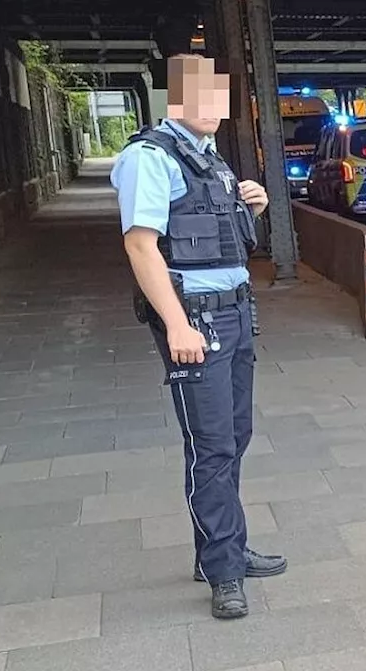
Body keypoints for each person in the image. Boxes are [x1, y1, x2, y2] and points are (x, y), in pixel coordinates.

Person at [110, 53, 285, 620]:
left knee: (235, 434)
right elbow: (141, 246)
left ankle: (220, 548)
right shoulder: (148, 157)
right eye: (199, 95)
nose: (212, 107)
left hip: (235, 315)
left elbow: (219, 239)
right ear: (176, 99)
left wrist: (249, 206)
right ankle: (224, 573)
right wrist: (178, 323)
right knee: (210, 447)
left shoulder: (212, 162)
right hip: (197, 322)